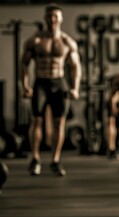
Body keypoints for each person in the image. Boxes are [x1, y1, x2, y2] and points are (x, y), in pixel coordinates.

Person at [21, 4, 82, 177]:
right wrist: (25, 85)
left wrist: (75, 87)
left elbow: (75, 67)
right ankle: (35, 158)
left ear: (61, 19)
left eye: (56, 16)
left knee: (59, 122)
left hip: (59, 82)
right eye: (49, 16)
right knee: (36, 121)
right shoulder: (36, 40)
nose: (52, 19)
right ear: (45, 18)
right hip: (40, 82)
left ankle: (55, 160)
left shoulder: (67, 42)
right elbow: (23, 64)